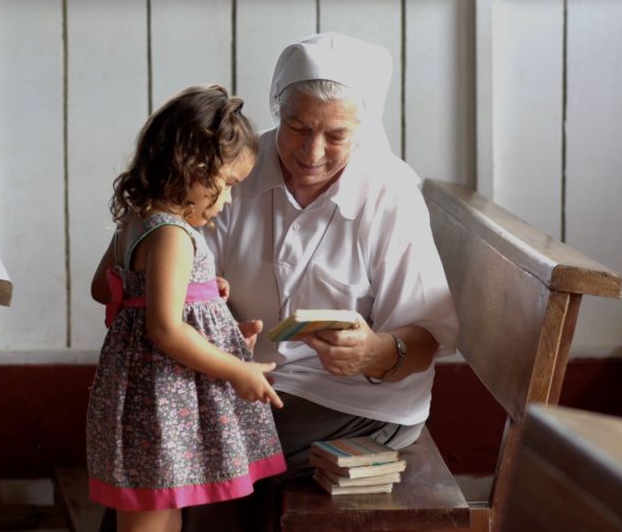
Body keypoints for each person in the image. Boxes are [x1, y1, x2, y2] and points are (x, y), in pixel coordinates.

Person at [184, 32, 460, 531]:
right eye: (297, 127)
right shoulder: (238, 171)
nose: (312, 151)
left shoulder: (389, 195)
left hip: (355, 403)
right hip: (244, 378)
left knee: (198, 456)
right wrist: (220, 332)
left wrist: (373, 352)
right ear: (276, 114)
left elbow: (425, 338)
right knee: (168, 440)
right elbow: (186, 273)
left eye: (336, 136)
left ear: (362, 128)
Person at [86, 84, 287, 532]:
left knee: (160, 509)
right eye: (226, 185)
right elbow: (165, 330)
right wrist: (239, 371)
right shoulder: (175, 233)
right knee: (153, 518)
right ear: (192, 168)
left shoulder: (134, 220)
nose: (229, 199)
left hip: (137, 396)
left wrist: (196, 298)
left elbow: (106, 288)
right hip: (160, 405)